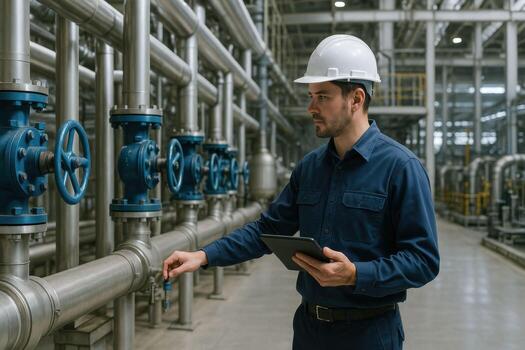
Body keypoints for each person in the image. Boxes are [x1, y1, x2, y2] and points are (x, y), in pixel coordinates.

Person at [163, 34, 439, 350]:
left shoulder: (400, 167)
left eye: (323, 96)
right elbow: (266, 231)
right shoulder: (310, 168)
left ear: (356, 99)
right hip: (310, 330)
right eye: (311, 95)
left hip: (369, 334)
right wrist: (203, 255)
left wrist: (355, 275)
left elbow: (423, 260)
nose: (311, 107)